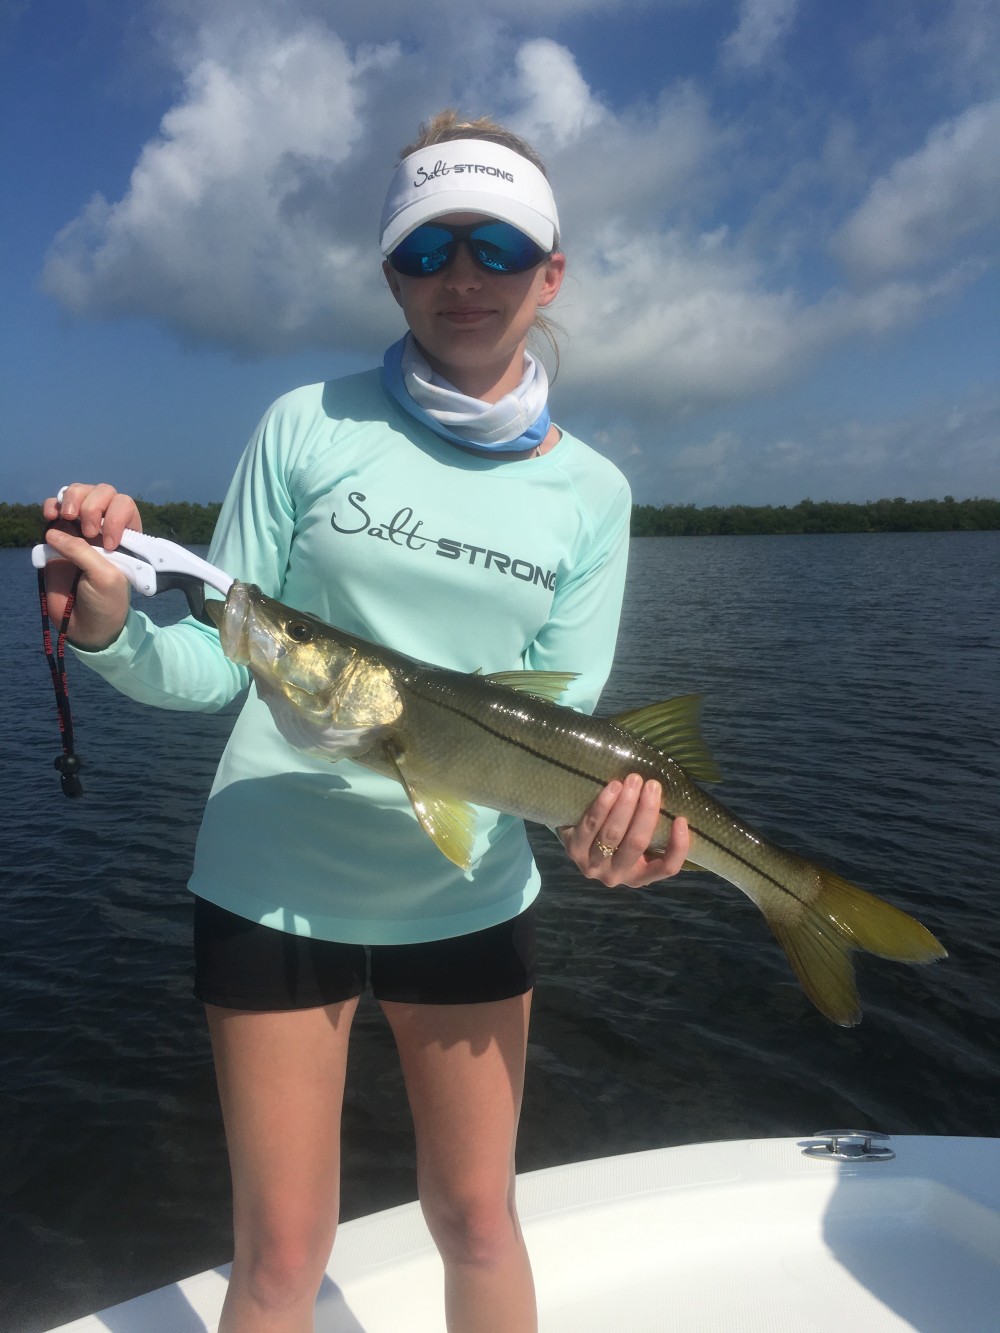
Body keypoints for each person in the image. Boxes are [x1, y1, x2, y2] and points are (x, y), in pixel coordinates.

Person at [42, 111, 690, 1333]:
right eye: (424, 249)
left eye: (496, 248)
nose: (460, 278)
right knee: (281, 1262)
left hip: (469, 894)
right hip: (270, 880)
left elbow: (566, 730)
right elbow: (221, 666)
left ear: (551, 272)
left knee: (481, 1223)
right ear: (388, 268)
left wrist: (611, 831)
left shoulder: (592, 493)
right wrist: (116, 626)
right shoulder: (306, 427)